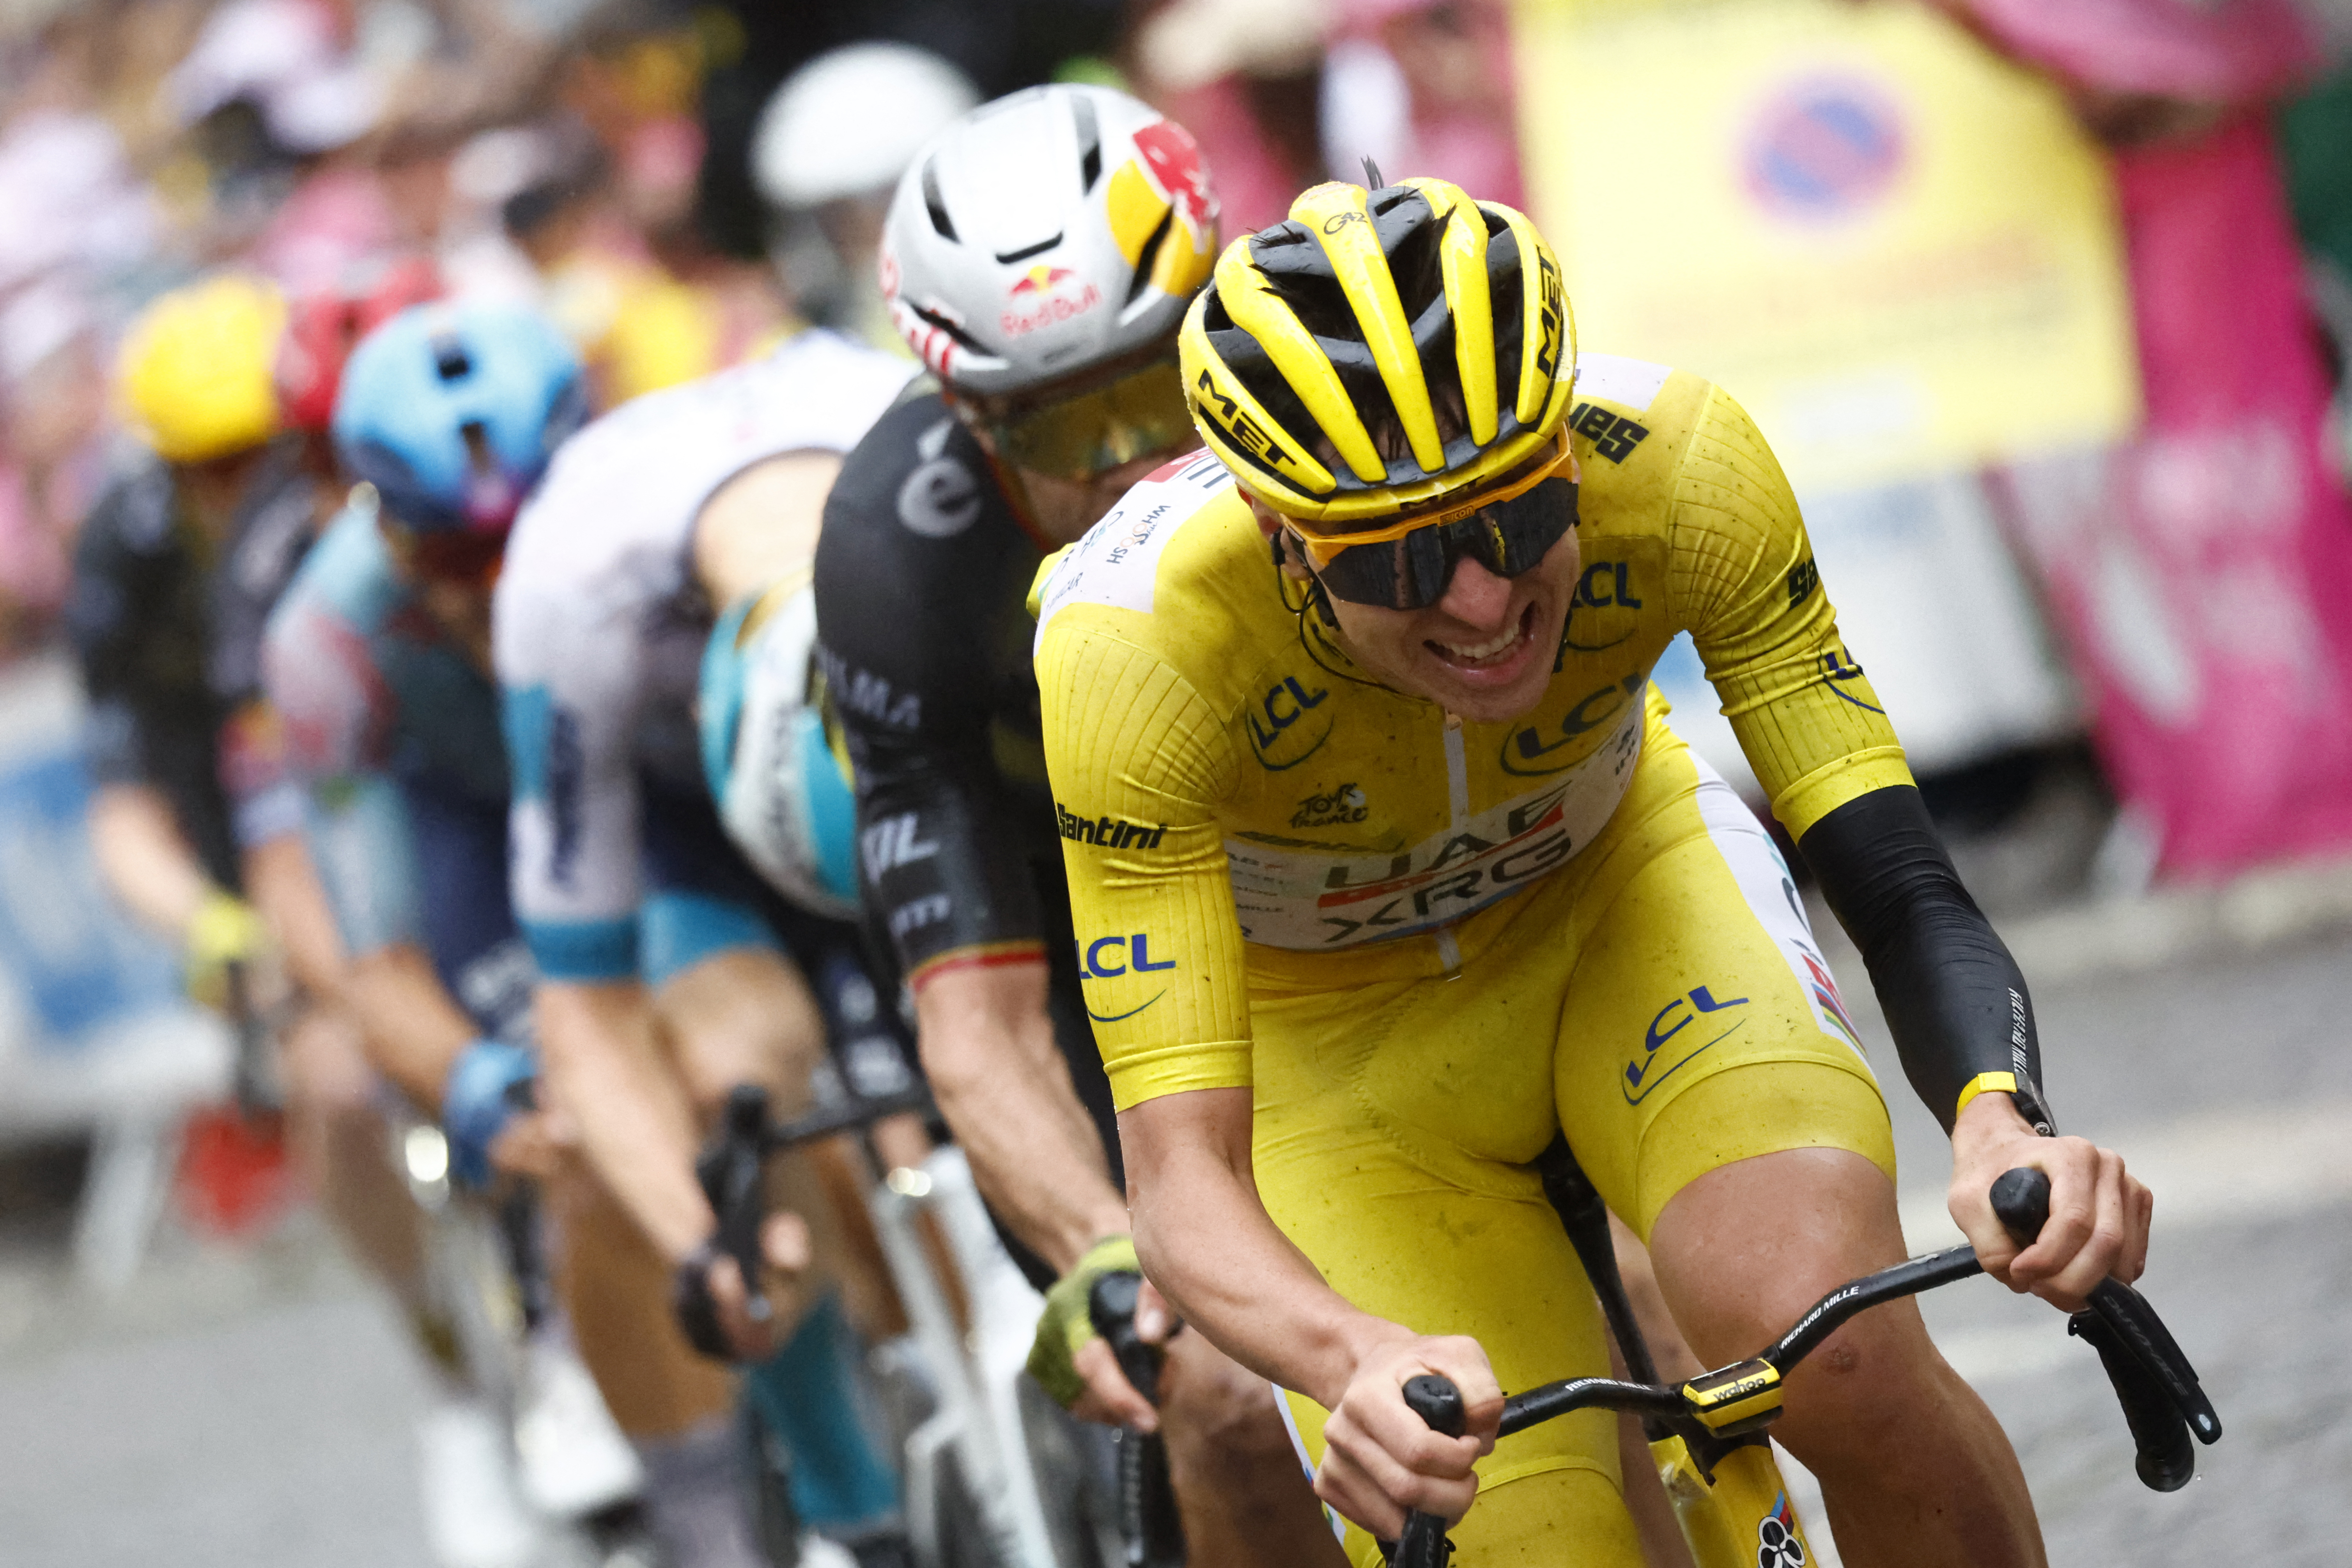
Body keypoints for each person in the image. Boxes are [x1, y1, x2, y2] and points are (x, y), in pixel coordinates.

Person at [1032, 175, 2157, 1567]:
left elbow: (1900, 881)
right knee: (1528, 1537)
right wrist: (1348, 1359)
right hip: (1345, 1062)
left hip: (1624, 903)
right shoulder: (1129, 653)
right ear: (1283, 543)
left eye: (1513, 522)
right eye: (1396, 560)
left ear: (1567, 455)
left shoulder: (1680, 463)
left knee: (1835, 1344)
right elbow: (1180, 1174)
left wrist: (2000, 1118)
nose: (1483, 601)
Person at [808, 83, 1343, 1564]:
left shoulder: (1344, 386)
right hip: (1077, 898)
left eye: (1154, 391)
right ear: (968, 418)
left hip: (1364, 863)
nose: (1129, 465)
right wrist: (1112, 1262)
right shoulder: (892, 558)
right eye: (1061, 426)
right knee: (1222, 1391)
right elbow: (978, 1034)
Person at [69, 272, 536, 1568]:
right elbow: (124, 811)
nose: (243, 493)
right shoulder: (133, 555)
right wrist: (214, 927)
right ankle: (448, 1373)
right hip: (248, 824)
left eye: (261, 458)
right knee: (334, 1076)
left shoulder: (346, 512)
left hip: (392, 771)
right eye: (208, 472)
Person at [267, 298, 744, 1555]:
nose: (497, 593)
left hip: (653, 791)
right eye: (453, 562)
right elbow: (373, 961)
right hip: (475, 831)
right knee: (564, 1107)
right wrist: (473, 1084)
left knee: (751, 1035)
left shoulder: (662, 516)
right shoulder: (326, 640)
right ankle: (612, 1394)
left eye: (519, 543)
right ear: (377, 525)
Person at [492, 319, 922, 1568]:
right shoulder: (569, 582)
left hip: (922, 743)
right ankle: (854, 1511)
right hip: (681, 815)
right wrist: (700, 1243)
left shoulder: (923, 447)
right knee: (733, 1075)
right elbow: (583, 1003)